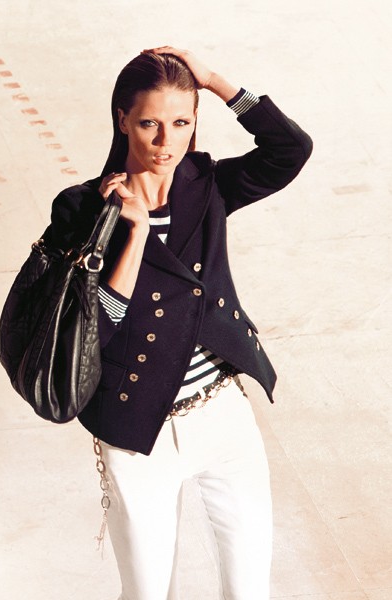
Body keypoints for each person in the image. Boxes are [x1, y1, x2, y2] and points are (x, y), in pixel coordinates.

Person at [48, 46, 312, 600]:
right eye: (150, 123)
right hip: (135, 430)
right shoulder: (82, 210)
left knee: (249, 589)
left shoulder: (205, 184)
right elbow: (96, 330)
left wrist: (214, 81)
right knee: (148, 593)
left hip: (222, 415)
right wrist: (135, 234)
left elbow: (290, 149)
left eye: (182, 123)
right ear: (123, 119)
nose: (166, 142)